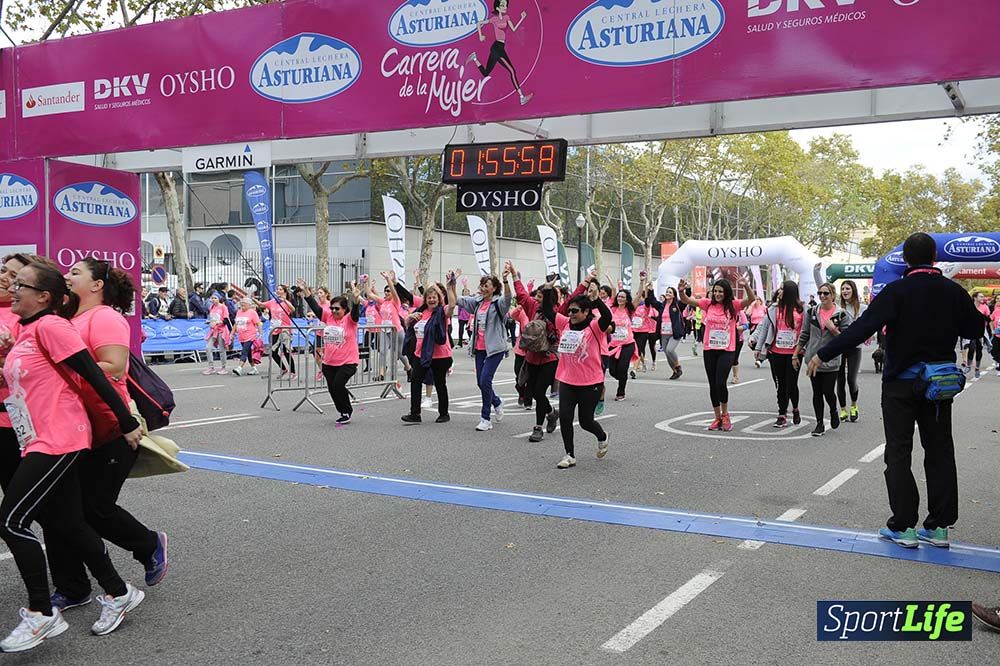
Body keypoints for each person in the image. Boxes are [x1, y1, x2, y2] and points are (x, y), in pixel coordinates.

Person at [0, 261, 145, 652]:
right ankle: (118, 592)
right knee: (69, 523)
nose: (13, 289)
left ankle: (40, 612)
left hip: (61, 438)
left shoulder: (51, 326)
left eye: (21, 285)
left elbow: (95, 374)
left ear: (44, 297)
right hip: (37, 438)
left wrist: (125, 420)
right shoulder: (27, 331)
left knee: (11, 521)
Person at [808, 232, 984, 549]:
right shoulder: (953, 291)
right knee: (940, 451)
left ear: (905, 259)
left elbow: (863, 328)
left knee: (899, 452)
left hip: (901, 384)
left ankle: (903, 526)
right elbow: (975, 328)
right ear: (935, 259)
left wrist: (823, 353)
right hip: (938, 384)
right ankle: (939, 526)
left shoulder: (896, 291)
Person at [46, 258, 168, 615]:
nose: (66, 276)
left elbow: (114, 366)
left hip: (112, 425)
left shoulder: (105, 317)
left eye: (75, 273)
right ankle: (71, 587)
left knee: (94, 509)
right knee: (64, 510)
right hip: (74, 427)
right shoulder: (69, 319)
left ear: (96, 285)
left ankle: (148, 545)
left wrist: (54, 371)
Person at [677, 277, 756, 431]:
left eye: (721, 291)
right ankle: (717, 417)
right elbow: (686, 300)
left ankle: (725, 414)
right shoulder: (707, 303)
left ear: (726, 293)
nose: (718, 294)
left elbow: (751, 299)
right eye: (715, 291)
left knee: (721, 383)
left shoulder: (734, 305)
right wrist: (681, 291)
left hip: (727, 350)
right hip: (710, 349)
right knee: (712, 384)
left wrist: (746, 285)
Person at [552, 291, 613, 469]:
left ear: (586, 312)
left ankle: (602, 436)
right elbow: (549, 310)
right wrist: (549, 290)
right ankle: (569, 454)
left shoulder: (595, 326)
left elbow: (607, 316)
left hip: (591, 381)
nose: (570, 314)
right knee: (565, 417)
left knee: (586, 421)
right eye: (569, 311)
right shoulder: (565, 324)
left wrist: (596, 300)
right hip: (568, 379)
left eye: (575, 311)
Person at [509, 262, 560, 442]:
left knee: (539, 392)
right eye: (537, 295)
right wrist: (514, 275)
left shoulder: (557, 312)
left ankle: (538, 428)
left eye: (541, 295)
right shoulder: (532, 308)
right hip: (531, 358)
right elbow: (522, 295)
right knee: (533, 390)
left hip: (549, 358)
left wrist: (585, 283)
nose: (537, 298)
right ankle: (552, 413)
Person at [301, 278, 361, 424]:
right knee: (332, 389)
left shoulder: (350, 320)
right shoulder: (328, 317)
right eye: (332, 308)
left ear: (344, 309)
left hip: (348, 361)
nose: (333, 311)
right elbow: (315, 307)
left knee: (338, 385)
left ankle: (347, 410)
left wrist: (356, 300)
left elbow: (355, 313)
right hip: (329, 362)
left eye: (337, 308)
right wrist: (307, 292)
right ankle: (342, 411)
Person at [795, 283, 852, 437]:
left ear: (833, 295)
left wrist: (833, 329)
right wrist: (796, 353)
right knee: (817, 392)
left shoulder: (841, 315)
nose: (822, 296)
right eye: (820, 293)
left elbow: (847, 338)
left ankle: (833, 410)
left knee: (828, 391)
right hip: (813, 358)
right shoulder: (812, 311)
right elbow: (805, 334)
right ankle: (819, 423)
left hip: (831, 360)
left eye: (826, 293)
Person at [457, 273, 512, 432]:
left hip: (495, 348)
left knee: (486, 380)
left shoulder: (498, 303)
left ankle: (485, 418)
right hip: (479, 348)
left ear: (494, 288)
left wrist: (507, 280)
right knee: (481, 382)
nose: (483, 288)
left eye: (487, 285)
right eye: (482, 285)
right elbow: (459, 301)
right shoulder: (477, 302)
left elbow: (508, 298)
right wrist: (451, 285)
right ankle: (497, 402)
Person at [401, 277, 457, 425]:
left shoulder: (441, 312)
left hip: (440, 355)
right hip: (421, 353)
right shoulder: (420, 311)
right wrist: (409, 318)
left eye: (434, 297)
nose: (432, 300)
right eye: (429, 297)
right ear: (425, 299)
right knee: (415, 380)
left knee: (439, 383)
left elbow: (452, 306)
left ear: (439, 299)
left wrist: (450, 288)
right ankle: (415, 413)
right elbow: (408, 326)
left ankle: (444, 413)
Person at [750, 281, 804, 428]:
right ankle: (782, 413)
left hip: (794, 353)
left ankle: (795, 408)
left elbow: (805, 333)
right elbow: (765, 328)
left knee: (791, 384)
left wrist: (800, 350)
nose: (779, 291)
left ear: (789, 292)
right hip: (776, 352)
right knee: (780, 384)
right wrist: (759, 348)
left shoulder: (801, 310)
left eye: (782, 289)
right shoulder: (773, 309)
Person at [0, 253, 31, 492]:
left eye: (14, 277)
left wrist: (8, 352)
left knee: (16, 498)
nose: (4, 279)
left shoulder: (23, 316)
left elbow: (31, 366)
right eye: (3, 271)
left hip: (11, 419)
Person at [468, 0, 533, 106]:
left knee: (486, 73)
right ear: (497, 8)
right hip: (497, 48)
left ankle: (475, 58)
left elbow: (514, 29)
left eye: (506, 5)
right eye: (502, 5)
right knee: (512, 71)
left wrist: (522, 18)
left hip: (499, 48)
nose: (505, 7)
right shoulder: (494, 19)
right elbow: (479, 23)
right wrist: (480, 35)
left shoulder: (507, 18)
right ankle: (521, 97)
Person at [836, 280, 866, 423]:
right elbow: (822, 287)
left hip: (855, 347)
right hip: (839, 346)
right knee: (840, 380)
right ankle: (842, 409)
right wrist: (817, 272)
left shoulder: (862, 308)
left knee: (851, 379)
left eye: (847, 288)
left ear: (853, 290)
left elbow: (871, 323)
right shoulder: (837, 306)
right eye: (843, 289)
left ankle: (854, 405)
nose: (845, 291)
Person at [254, 286, 296, 380]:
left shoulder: (286, 302)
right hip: (275, 329)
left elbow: (292, 309)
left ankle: (293, 372)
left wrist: (285, 300)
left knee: (286, 351)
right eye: (277, 289)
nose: (278, 290)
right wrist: (253, 300)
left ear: (285, 292)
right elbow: (261, 305)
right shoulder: (272, 302)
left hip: (285, 330)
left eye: (280, 289)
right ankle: (283, 369)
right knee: (272, 351)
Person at [607, 289, 637, 401]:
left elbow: (638, 296)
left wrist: (642, 283)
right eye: (619, 297)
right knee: (612, 371)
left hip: (627, 344)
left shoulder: (629, 311)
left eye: (623, 297)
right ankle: (622, 378)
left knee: (623, 368)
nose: (620, 299)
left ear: (627, 299)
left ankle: (621, 392)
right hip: (613, 345)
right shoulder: (612, 310)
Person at [653, 287, 685, 380]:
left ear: (674, 295)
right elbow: (652, 301)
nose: (668, 293)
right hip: (663, 333)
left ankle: (678, 366)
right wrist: (650, 289)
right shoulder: (662, 306)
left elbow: (685, 300)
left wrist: (686, 289)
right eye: (667, 292)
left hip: (674, 333)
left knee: (669, 350)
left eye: (670, 292)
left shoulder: (677, 305)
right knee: (667, 354)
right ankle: (675, 371)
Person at [232, 297, 263, 376]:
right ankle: (254, 368)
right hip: (241, 335)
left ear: (249, 305)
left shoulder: (252, 312)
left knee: (244, 351)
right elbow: (236, 323)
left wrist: (260, 333)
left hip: (250, 335)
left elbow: (258, 323)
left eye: (244, 304)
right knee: (248, 353)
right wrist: (232, 333)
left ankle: (239, 367)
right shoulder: (238, 312)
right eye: (241, 304)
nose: (242, 306)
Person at [203, 294, 231, 375]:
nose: (213, 299)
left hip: (221, 330)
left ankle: (223, 367)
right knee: (208, 348)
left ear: (219, 299)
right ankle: (211, 367)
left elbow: (226, 320)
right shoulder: (211, 307)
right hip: (213, 330)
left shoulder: (223, 307)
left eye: (215, 298)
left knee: (222, 349)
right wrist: (209, 322)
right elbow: (211, 318)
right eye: (212, 298)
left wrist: (219, 322)